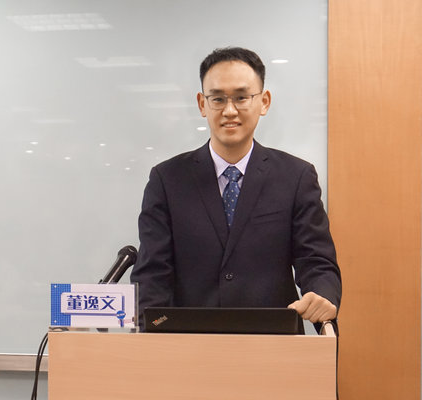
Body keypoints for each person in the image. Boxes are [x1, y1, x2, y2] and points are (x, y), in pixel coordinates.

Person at [130, 47, 341, 333]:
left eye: (241, 97)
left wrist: (322, 295)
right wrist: (152, 338)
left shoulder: (296, 177)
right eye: (217, 99)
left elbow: (315, 260)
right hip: (189, 342)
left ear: (264, 102)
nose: (229, 111)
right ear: (202, 104)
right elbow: (152, 273)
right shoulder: (167, 179)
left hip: (274, 340)